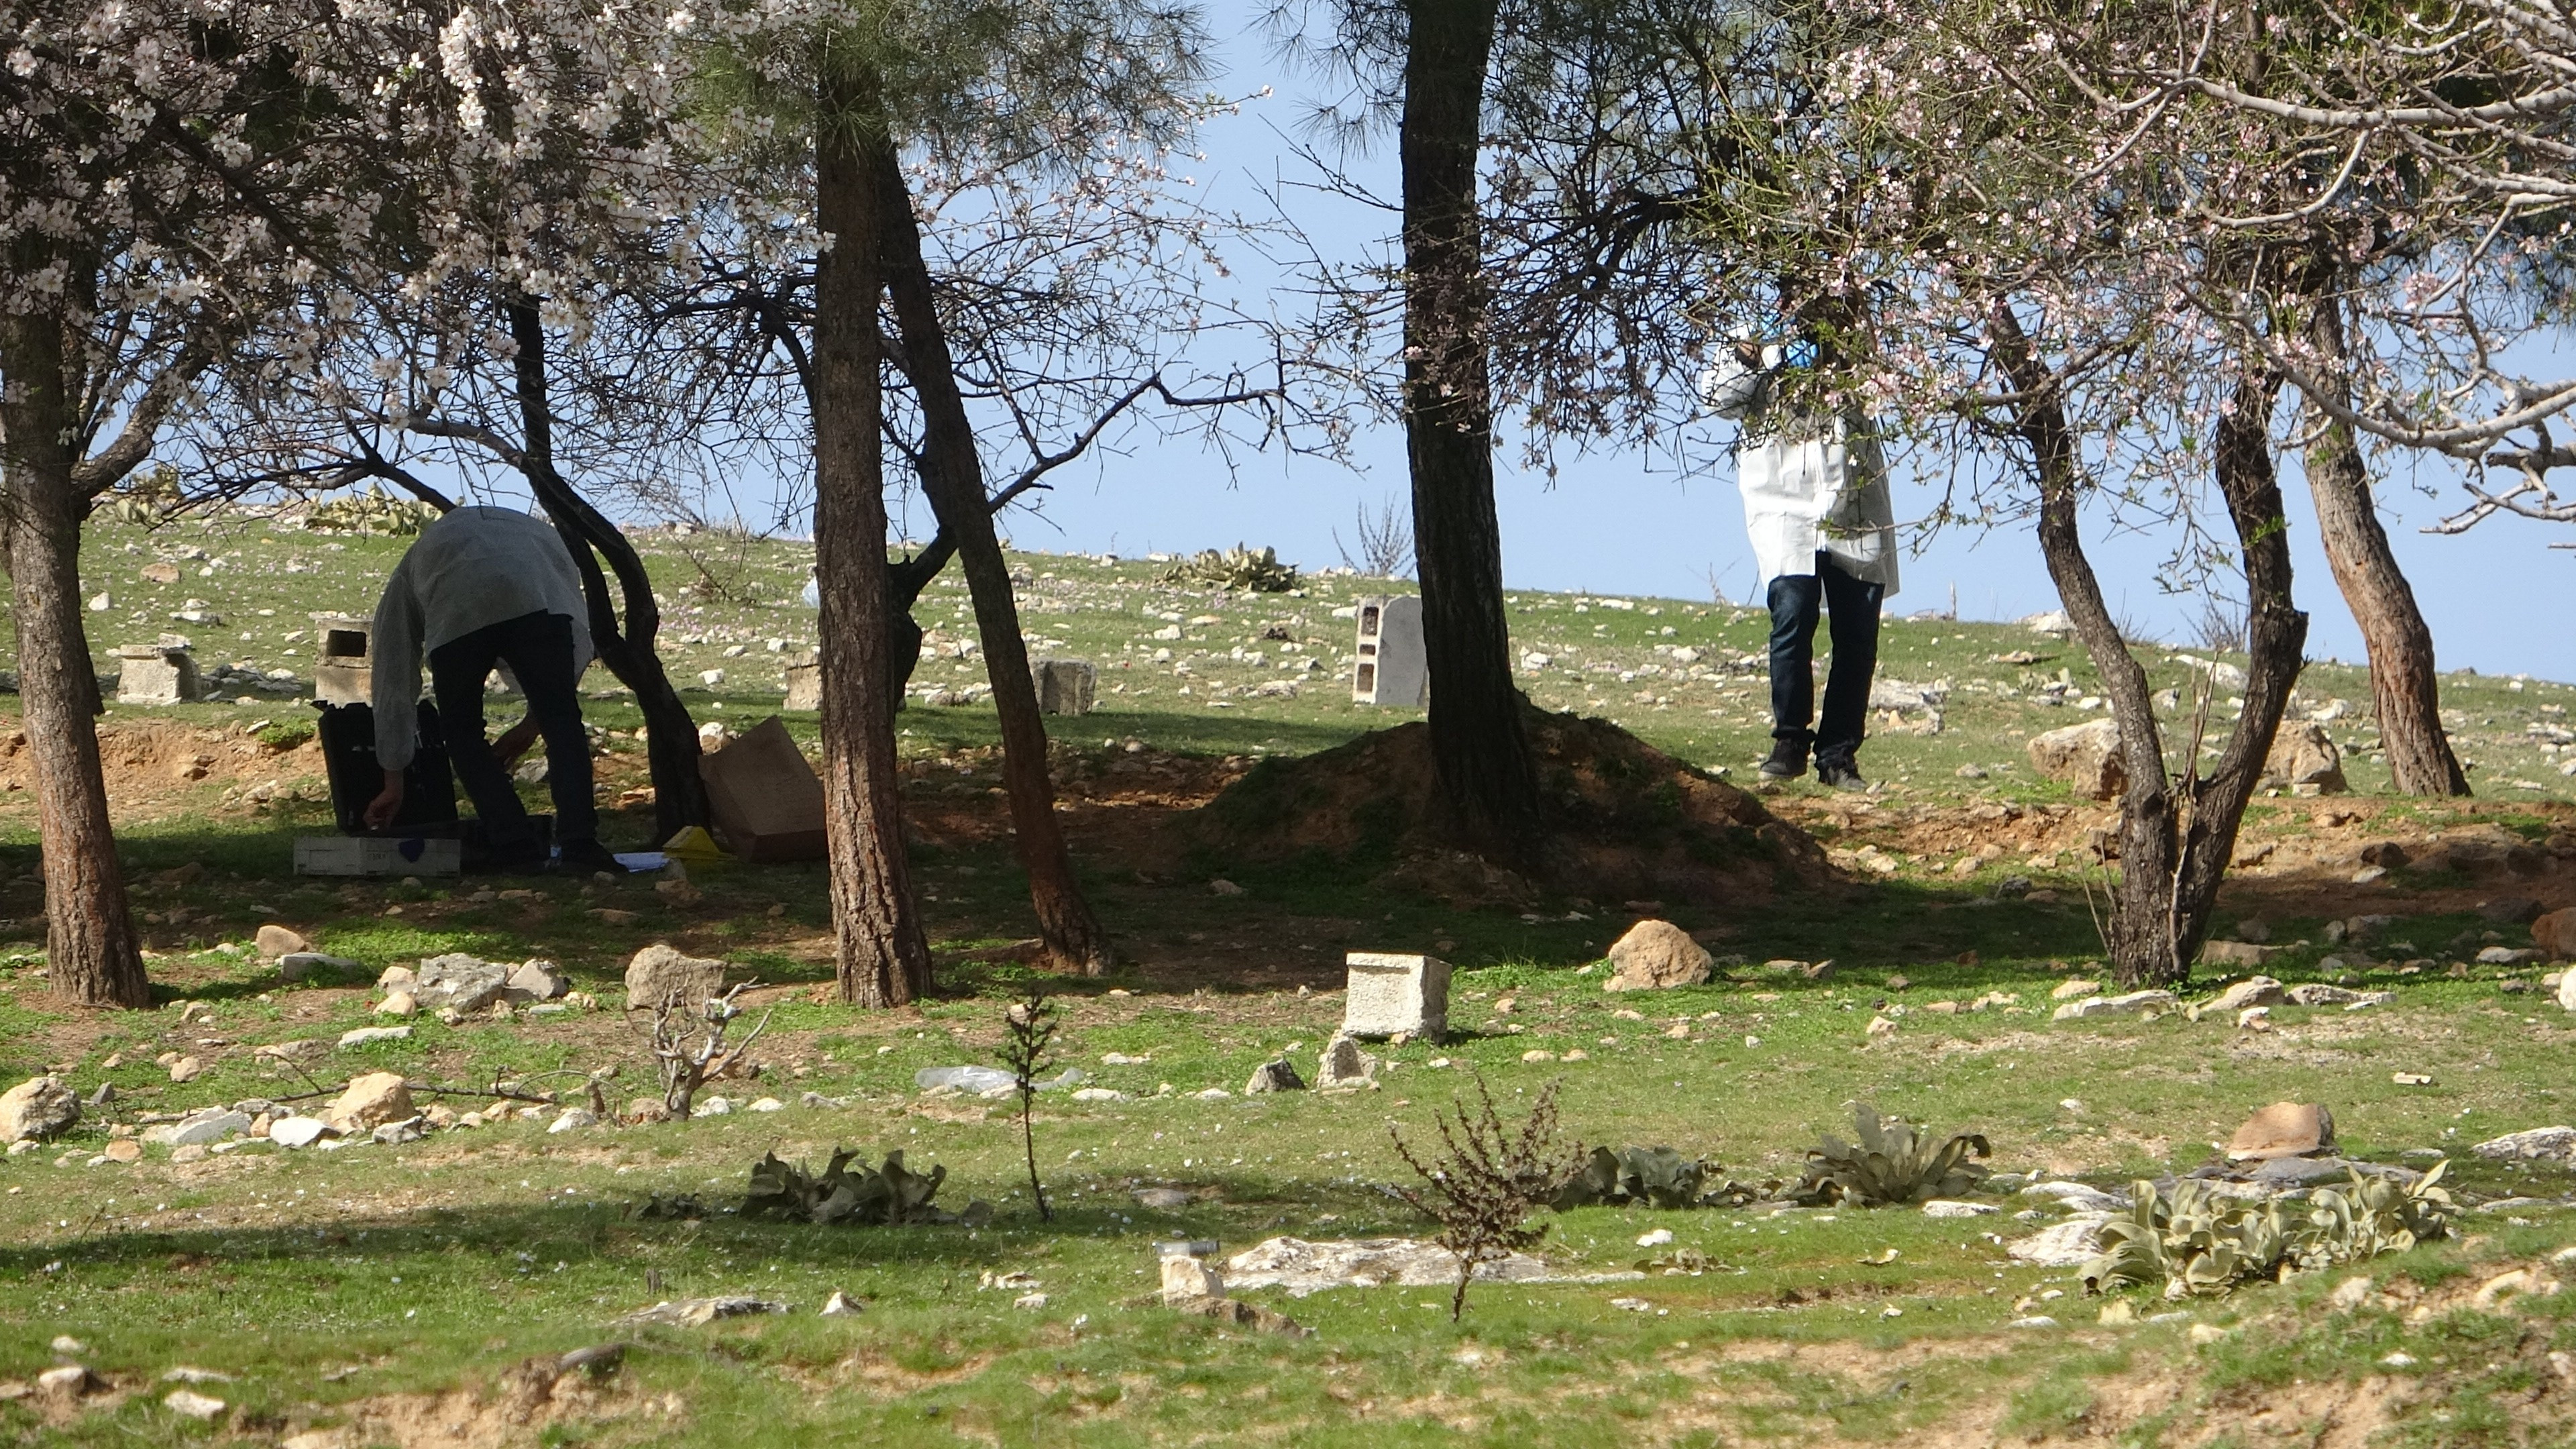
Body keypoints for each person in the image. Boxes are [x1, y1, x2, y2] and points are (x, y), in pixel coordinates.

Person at [361, 504, 625, 874]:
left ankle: (514, 844)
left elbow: (393, 676)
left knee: (461, 730)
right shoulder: (539, 536)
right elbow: (575, 637)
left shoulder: (414, 564)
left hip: (458, 604)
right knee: (562, 723)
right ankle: (580, 845)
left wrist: (394, 780)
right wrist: (535, 724)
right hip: (539, 601)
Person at [1700, 329, 1899, 790]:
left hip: (1855, 504)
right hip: (1783, 500)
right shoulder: (1753, 332)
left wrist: (1856, 350)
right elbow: (1719, 398)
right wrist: (1747, 355)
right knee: (1791, 614)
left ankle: (1838, 756)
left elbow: (1891, 393)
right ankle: (1789, 741)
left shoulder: (1857, 332)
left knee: (1857, 634)